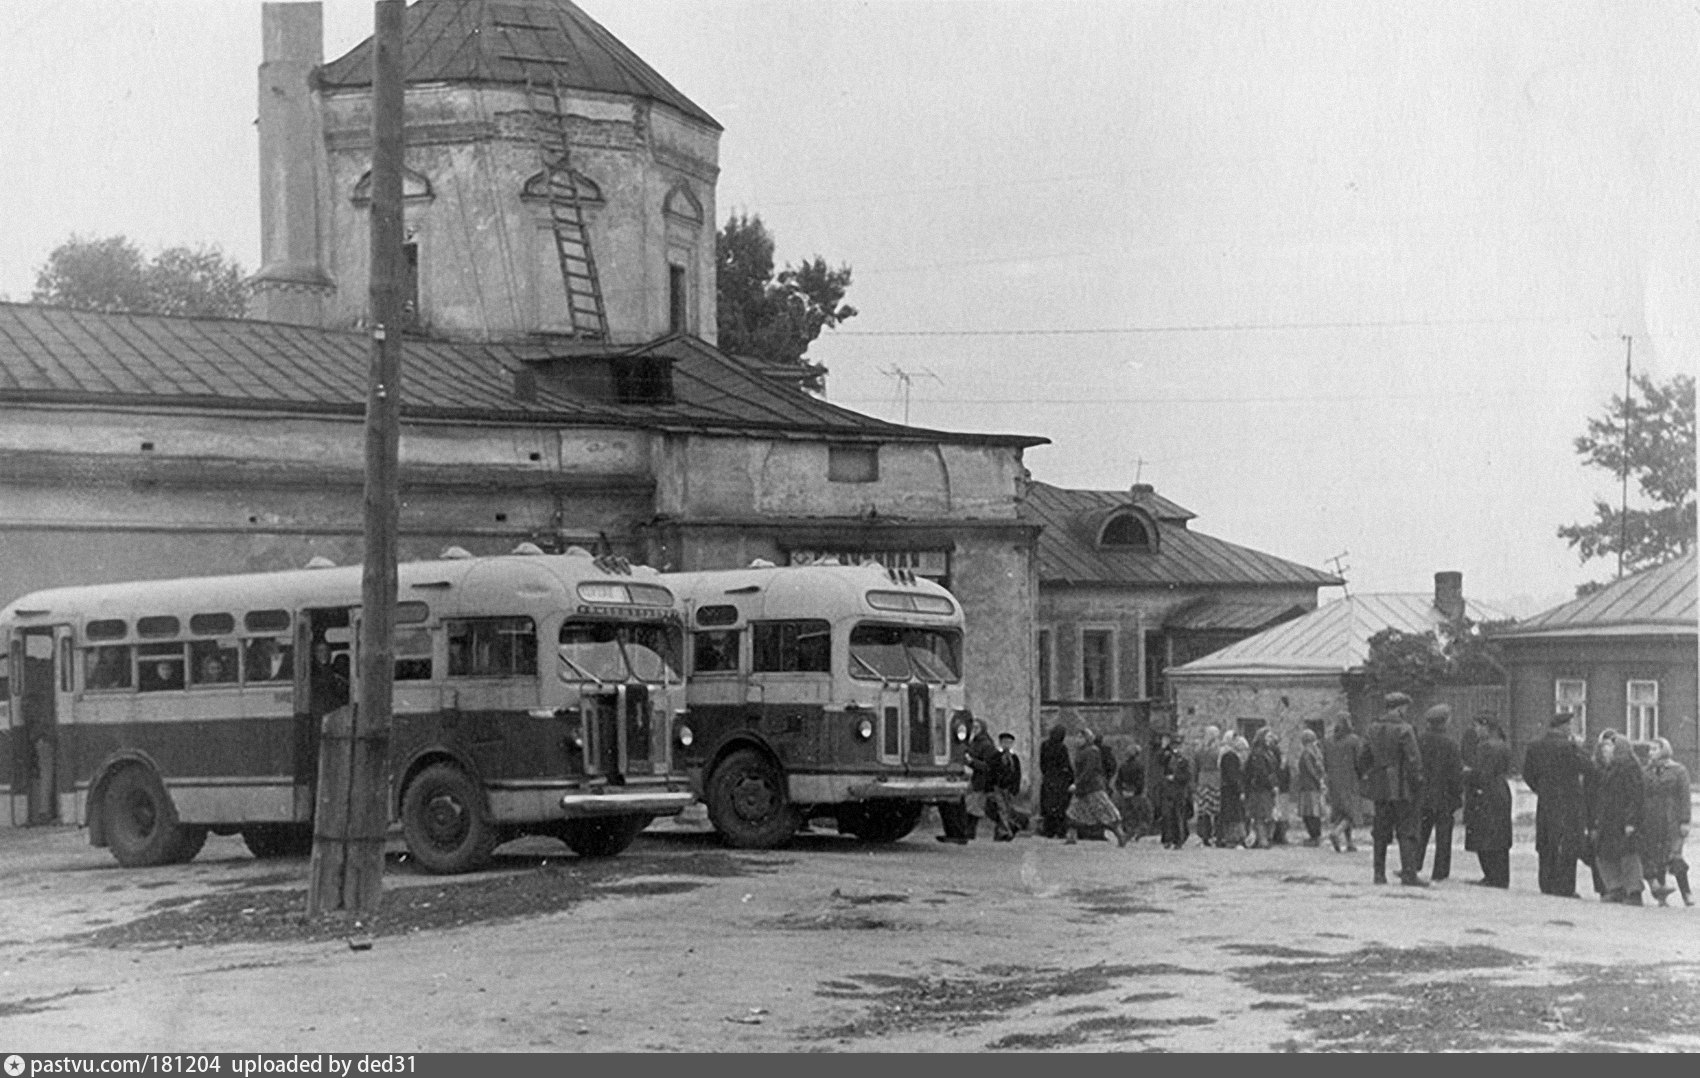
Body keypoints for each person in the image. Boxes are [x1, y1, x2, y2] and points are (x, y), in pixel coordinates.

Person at [1356, 691, 1427, 886]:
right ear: (1399, 707)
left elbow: (1363, 757)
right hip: (1401, 787)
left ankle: (1379, 875)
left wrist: (1370, 773)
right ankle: (1409, 874)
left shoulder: (1372, 728)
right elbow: (1413, 760)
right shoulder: (1405, 729)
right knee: (1406, 831)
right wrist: (1417, 783)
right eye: (1404, 707)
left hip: (1380, 786)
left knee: (1380, 832)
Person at [1522, 710, 1591, 897]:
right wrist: (1579, 747)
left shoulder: (1535, 745)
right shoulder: (1569, 747)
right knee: (1568, 843)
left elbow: (1527, 774)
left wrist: (1541, 789)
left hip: (1546, 801)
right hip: (1569, 802)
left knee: (1546, 843)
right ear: (1565, 727)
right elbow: (1587, 766)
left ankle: (1546, 884)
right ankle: (1565, 888)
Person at [1588, 730, 1646, 904]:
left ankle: (1633, 892)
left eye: (1610, 746)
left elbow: (1635, 796)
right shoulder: (1610, 767)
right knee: (1604, 854)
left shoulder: (1629, 767)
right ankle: (1615, 888)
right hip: (1609, 819)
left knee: (1628, 855)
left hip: (1622, 820)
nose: (1606, 749)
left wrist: (1631, 821)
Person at [1640, 736, 1692, 906]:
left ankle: (1686, 893)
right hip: (1652, 820)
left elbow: (1684, 797)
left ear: (1664, 750)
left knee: (1674, 855)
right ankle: (1662, 896)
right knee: (1656, 857)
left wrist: (1685, 821)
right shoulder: (1647, 771)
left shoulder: (1678, 771)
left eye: (1655, 749)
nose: (1651, 753)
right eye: (1650, 750)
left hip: (1671, 820)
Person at [1461, 715, 1512, 888]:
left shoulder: (1485, 747)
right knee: (1499, 835)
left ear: (1485, 727)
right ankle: (1501, 876)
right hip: (1500, 790)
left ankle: (1491, 876)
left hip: (1485, 793)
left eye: (1477, 727)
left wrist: (1466, 774)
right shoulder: (1502, 744)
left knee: (1484, 834)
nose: (1475, 730)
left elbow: (1481, 773)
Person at [1414, 704, 1464, 881]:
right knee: (1444, 837)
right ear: (1445, 721)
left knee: (1421, 832)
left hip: (1423, 795)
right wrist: (1458, 796)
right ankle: (1440, 872)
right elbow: (1456, 773)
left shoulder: (1420, 741)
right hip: (1445, 797)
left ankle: (1414, 864)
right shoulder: (1450, 744)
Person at [1066, 727, 1129, 846]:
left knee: (1104, 812)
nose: (1078, 740)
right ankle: (1071, 836)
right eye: (1077, 737)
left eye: (1081, 737)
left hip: (1093, 788)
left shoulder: (1092, 751)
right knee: (1073, 812)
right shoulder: (1081, 751)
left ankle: (1120, 834)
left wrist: (1077, 783)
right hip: (1083, 790)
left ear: (1087, 738)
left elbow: (1089, 771)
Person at [1322, 716, 1364, 853]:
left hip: (1334, 781)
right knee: (1351, 812)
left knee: (1341, 812)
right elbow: (1359, 761)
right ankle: (1337, 832)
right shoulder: (1353, 740)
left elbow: (1325, 762)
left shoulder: (1328, 741)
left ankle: (1350, 842)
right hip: (1350, 780)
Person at [1153, 731, 1193, 849]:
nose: (1176, 748)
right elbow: (1159, 760)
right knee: (1166, 815)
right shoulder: (1168, 755)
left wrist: (1175, 777)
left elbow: (1187, 776)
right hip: (1168, 790)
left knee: (1178, 816)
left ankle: (1178, 840)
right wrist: (1163, 747)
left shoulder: (1184, 759)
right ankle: (1167, 839)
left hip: (1180, 790)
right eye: (1174, 745)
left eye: (1178, 745)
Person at [1243, 728, 1281, 849]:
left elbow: (1273, 770)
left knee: (1269, 815)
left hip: (1267, 788)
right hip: (1259, 788)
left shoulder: (1269, 752)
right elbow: (1262, 772)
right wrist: (1271, 785)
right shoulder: (1258, 754)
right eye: (1268, 737)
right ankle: (1262, 840)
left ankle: (1265, 838)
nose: (1270, 739)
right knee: (1260, 815)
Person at [1038, 724, 1075, 840]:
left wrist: (1047, 774)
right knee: (1060, 806)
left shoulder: (1044, 745)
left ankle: (1049, 830)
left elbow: (1042, 763)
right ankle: (1060, 830)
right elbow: (1066, 765)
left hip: (1049, 779)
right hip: (1061, 781)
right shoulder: (1062, 747)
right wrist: (1071, 779)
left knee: (1049, 805)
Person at [1292, 728, 1327, 846]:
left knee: (1309, 813)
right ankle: (1316, 836)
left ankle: (1314, 836)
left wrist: (1317, 779)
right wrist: (1321, 781)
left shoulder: (1307, 753)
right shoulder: (1316, 752)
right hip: (1314, 786)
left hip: (1308, 786)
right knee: (1314, 813)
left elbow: (1310, 769)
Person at [1191, 725, 1223, 847]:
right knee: (1214, 810)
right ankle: (1214, 835)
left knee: (1205, 811)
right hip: (1214, 780)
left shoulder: (1200, 749)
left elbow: (1195, 767)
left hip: (1204, 780)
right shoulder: (1218, 750)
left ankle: (1205, 835)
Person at [990, 732, 1022, 841]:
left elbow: (1017, 774)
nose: (1007, 745)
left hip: (1009, 788)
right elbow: (991, 772)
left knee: (1008, 810)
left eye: (1009, 743)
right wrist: (990, 786)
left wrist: (1016, 787)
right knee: (1001, 809)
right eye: (1004, 742)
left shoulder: (1014, 758)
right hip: (998, 787)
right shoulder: (996, 756)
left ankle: (1002, 831)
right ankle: (1006, 832)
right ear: (1000, 743)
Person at [1115, 741, 1150, 840]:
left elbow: (1118, 781)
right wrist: (1136, 791)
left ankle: (1128, 831)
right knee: (1137, 814)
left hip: (1125, 792)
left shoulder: (1123, 765)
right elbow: (1141, 781)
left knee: (1126, 814)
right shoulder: (1140, 766)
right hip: (1135, 794)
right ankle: (1136, 831)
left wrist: (1122, 791)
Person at [1217, 734, 1248, 847]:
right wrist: (1240, 790)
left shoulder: (1231, 756)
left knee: (1233, 814)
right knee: (1232, 815)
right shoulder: (1230, 756)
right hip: (1231, 791)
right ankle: (1232, 838)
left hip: (1230, 789)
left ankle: (1233, 838)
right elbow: (1233, 776)